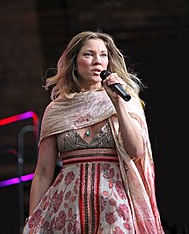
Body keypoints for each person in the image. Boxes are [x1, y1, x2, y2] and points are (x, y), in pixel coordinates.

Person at [22, 31, 165, 234]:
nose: (98, 61)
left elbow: (136, 151)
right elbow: (44, 171)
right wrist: (33, 221)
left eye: (103, 55)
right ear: (74, 61)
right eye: (89, 54)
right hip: (66, 207)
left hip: (114, 205)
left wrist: (118, 104)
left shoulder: (126, 100)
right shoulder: (56, 110)